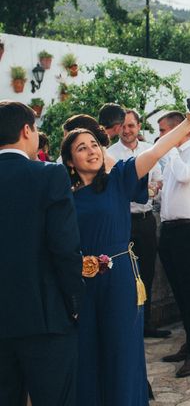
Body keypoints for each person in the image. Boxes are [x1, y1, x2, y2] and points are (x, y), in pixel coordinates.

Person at [60, 101, 190, 404]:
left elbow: (154, 152)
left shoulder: (118, 180)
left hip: (120, 278)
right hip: (82, 284)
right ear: (70, 161)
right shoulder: (64, 198)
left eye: (94, 145)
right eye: (81, 148)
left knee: (122, 348)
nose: (91, 151)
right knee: (87, 349)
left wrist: (188, 122)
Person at [0, 101, 84, 406]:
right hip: (44, 315)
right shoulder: (48, 175)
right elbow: (64, 247)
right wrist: (75, 302)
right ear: (26, 130)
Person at [156, 111, 190, 378]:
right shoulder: (171, 157)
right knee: (178, 290)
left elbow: (184, 176)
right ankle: (189, 342)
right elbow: (171, 189)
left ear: (182, 131)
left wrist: (171, 150)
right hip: (168, 230)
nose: (160, 137)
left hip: (188, 230)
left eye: (164, 131)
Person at [107, 109, 169, 339]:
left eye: (131, 126)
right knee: (123, 273)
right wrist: (146, 190)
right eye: (123, 126)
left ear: (138, 126)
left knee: (148, 273)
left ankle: (146, 324)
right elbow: (120, 190)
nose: (127, 130)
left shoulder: (148, 152)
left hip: (145, 221)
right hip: (122, 221)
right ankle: (125, 325)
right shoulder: (109, 153)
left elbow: (157, 184)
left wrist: (144, 191)